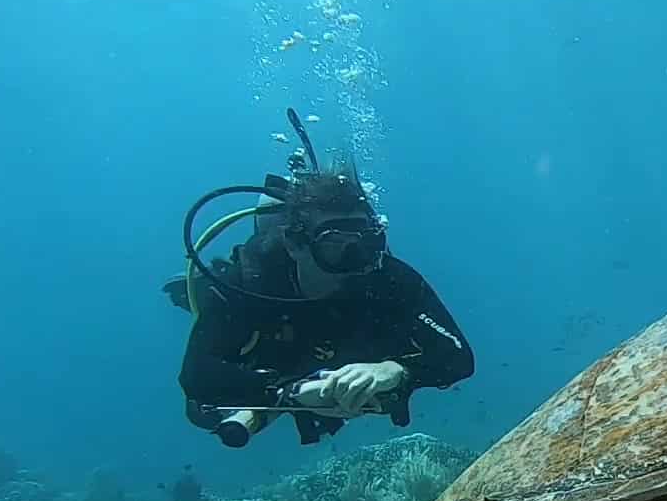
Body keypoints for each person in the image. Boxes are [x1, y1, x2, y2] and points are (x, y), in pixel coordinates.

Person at [169, 116, 474, 448]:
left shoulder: (387, 277)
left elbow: (458, 357)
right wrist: (289, 393)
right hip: (274, 357)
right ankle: (195, 293)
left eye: (365, 247)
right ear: (295, 244)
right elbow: (197, 376)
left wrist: (395, 371)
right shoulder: (248, 282)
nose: (355, 265)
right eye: (336, 248)